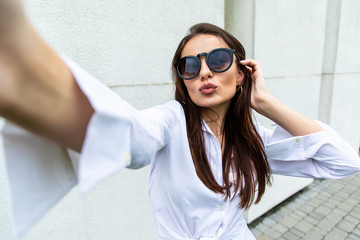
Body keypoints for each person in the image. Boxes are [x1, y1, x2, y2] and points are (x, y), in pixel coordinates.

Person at [1, 2, 360, 240]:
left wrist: (264, 102)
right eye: (190, 66)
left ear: (241, 74)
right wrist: (35, 85)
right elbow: (132, 139)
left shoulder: (254, 141)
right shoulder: (171, 121)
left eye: (218, 59)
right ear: (183, 81)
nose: (204, 71)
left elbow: (344, 162)